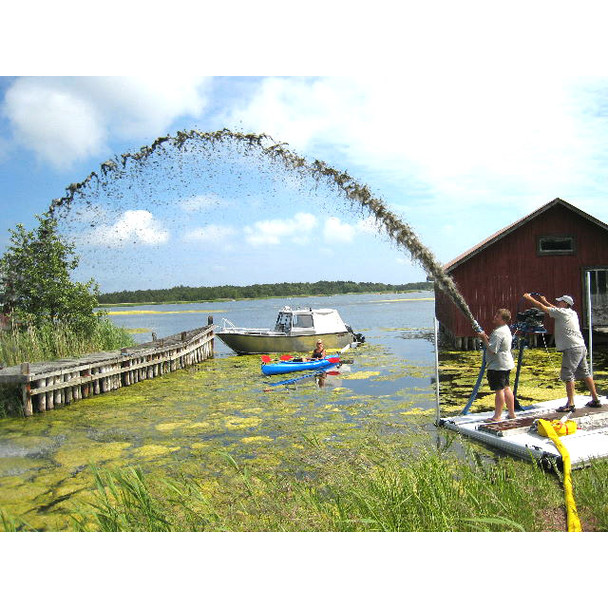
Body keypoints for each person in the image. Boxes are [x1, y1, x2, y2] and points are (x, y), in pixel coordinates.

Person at [523, 292, 601, 412]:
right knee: (586, 373)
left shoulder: (561, 313)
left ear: (565, 303)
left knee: (568, 375)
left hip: (571, 349)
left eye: (560, 301)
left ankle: (570, 404)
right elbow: (553, 308)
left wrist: (529, 298)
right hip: (580, 346)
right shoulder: (572, 313)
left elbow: (543, 309)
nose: (558, 303)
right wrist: (545, 301)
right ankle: (595, 399)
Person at [476, 308, 516, 422]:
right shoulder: (505, 329)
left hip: (498, 365)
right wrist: (487, 338)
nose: (494, 317)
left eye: (497, 316)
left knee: (499, 390)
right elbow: (496, 344)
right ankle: (512, 414)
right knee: (507, 387)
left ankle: (497, 416)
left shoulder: (498, 332)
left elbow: (493, 350)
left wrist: (484, 338)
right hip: (506, 363)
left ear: (503, 320)